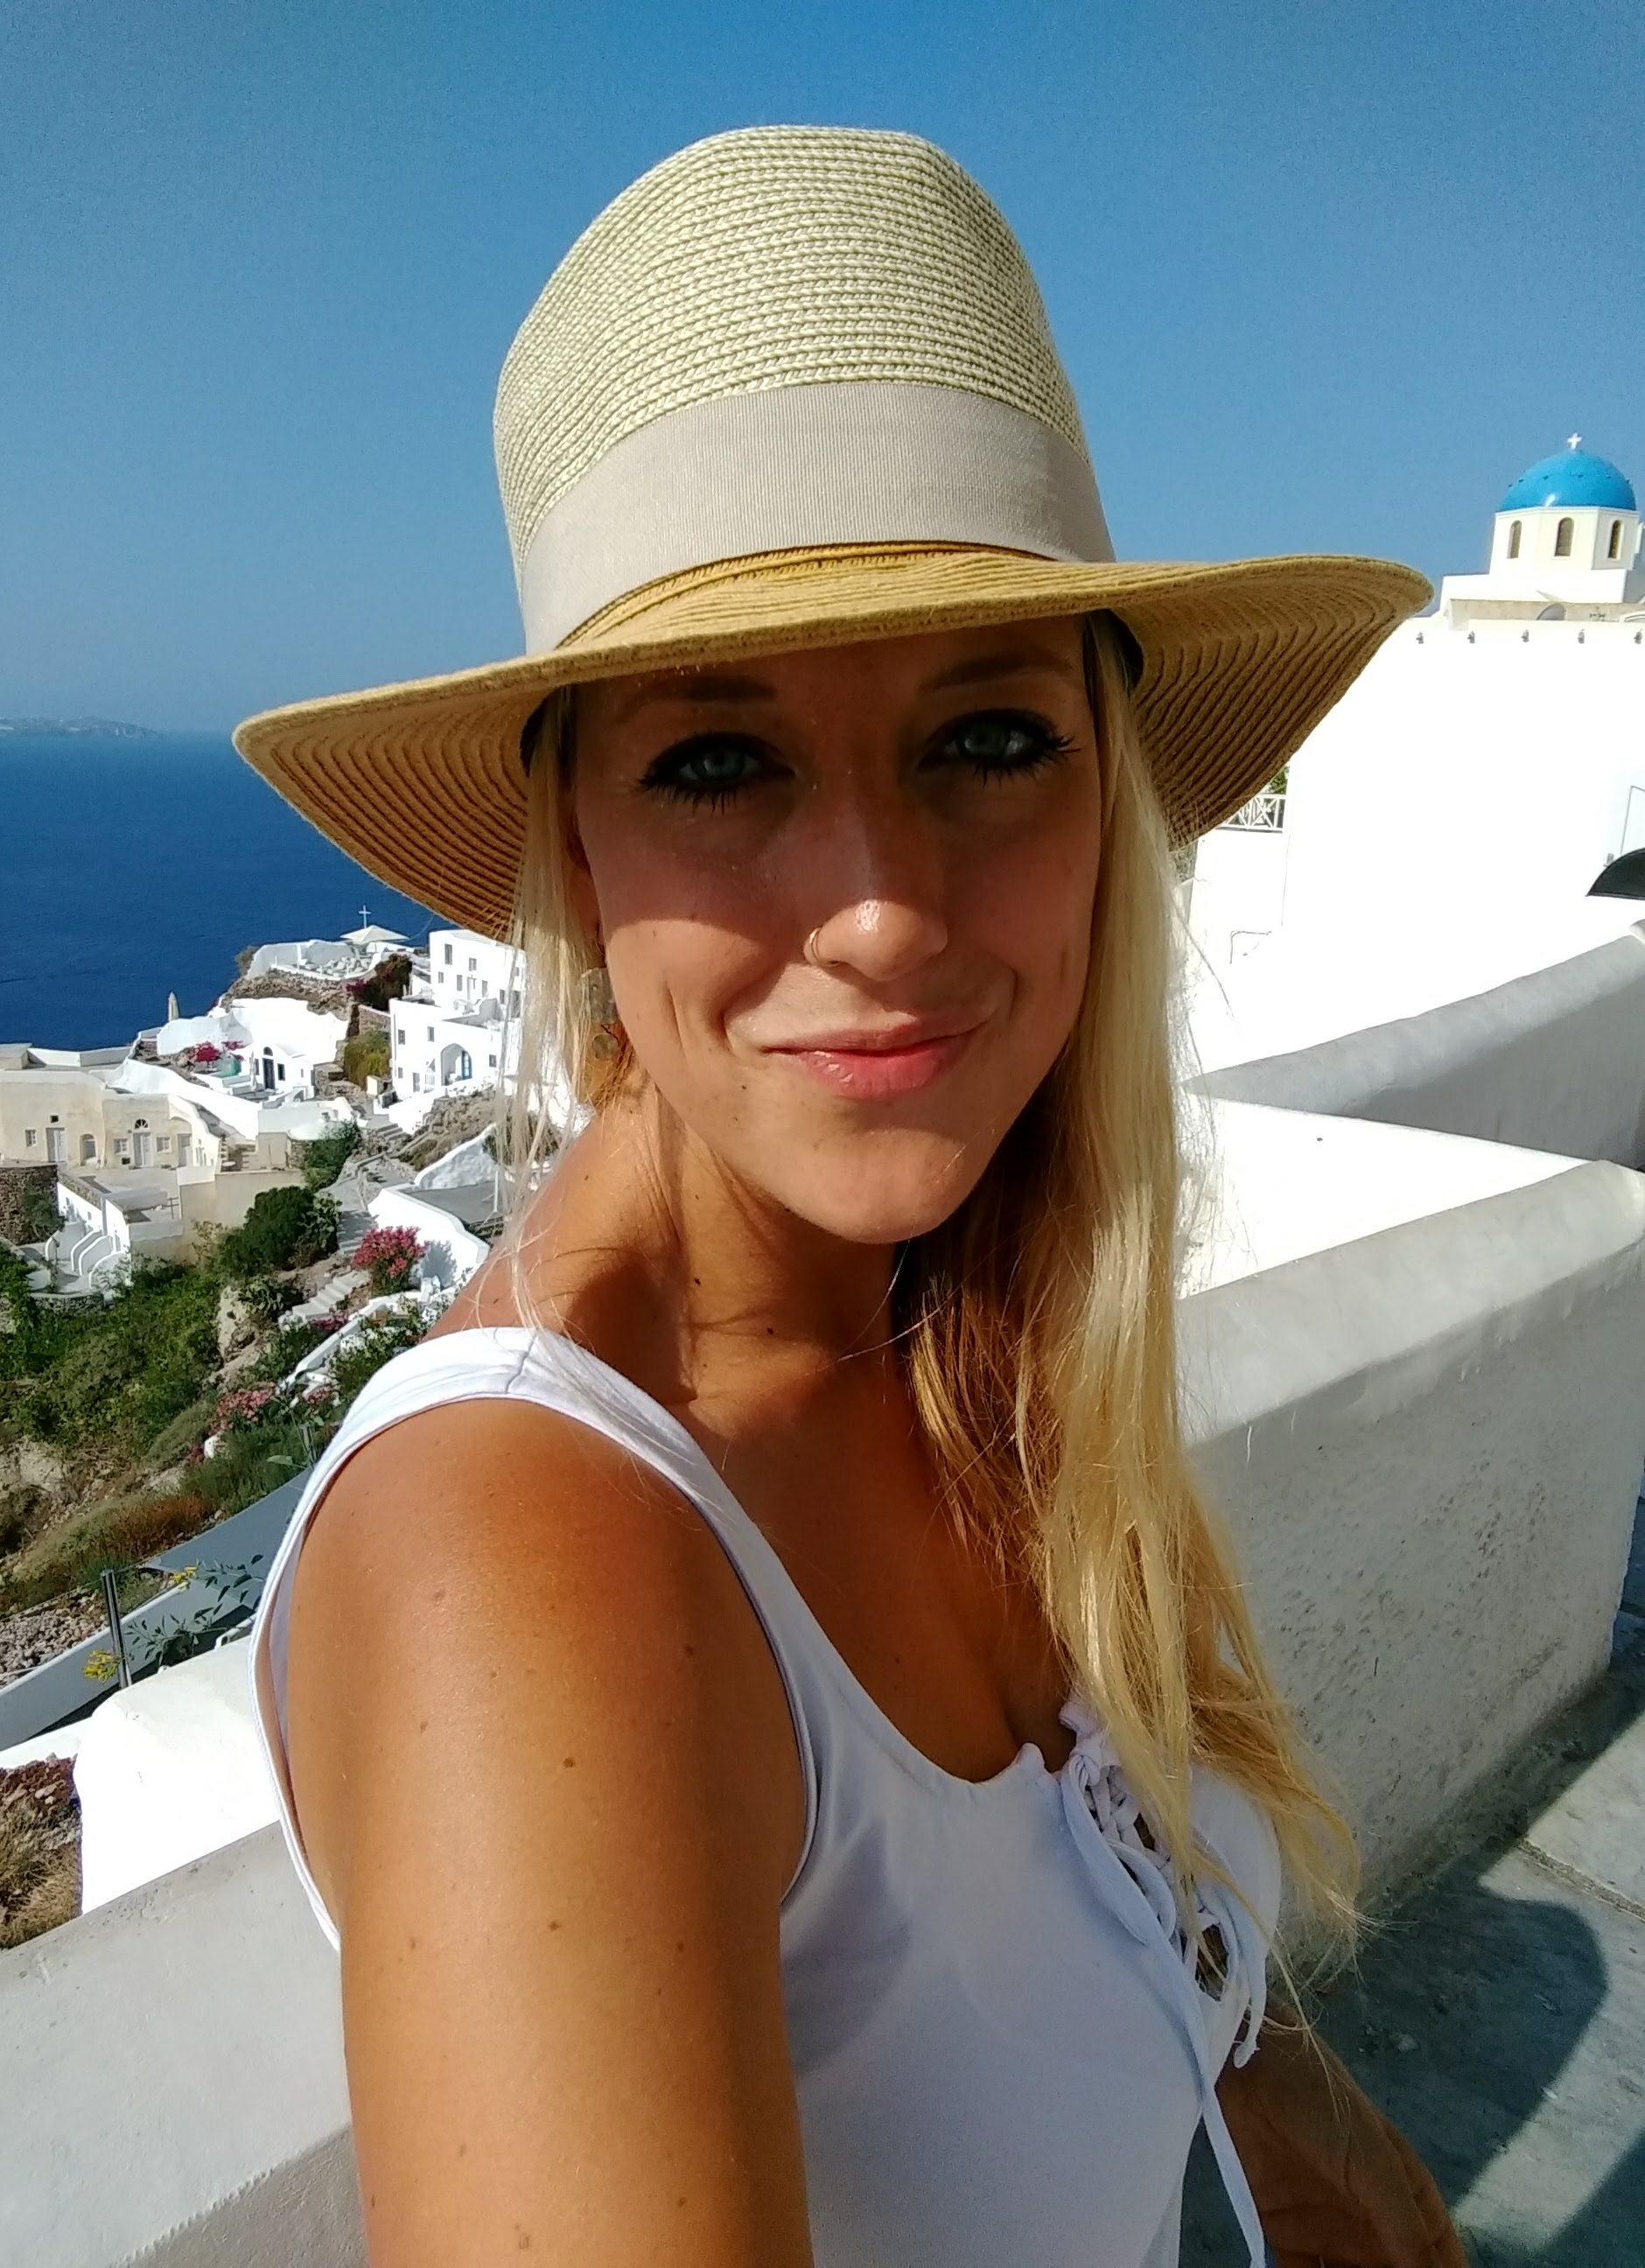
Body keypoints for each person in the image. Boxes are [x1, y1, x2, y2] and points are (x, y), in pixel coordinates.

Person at [239, 127, 1446, 2268]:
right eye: (718, 762)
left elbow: (1145, 1933)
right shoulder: (529, 1558)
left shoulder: (971, 1315)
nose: (883, 911)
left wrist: (1353, 2177)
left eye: (989, 739)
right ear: (577, 846)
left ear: (1106, 789)